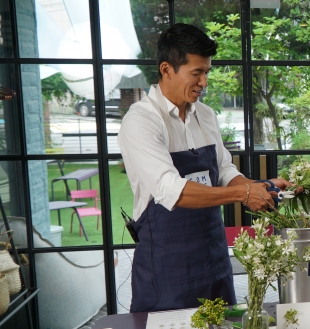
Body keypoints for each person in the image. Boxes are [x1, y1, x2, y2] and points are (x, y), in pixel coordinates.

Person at [118, 23, 292, 312]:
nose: (204, 82)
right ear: (166, 69)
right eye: (196, 73)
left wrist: (260, 187)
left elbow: (224, 172)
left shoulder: (206, 115)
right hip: (167, 268)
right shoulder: (142, 121)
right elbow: (172, 190)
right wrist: (241, 195)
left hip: (214, 259)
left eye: (207, 72)